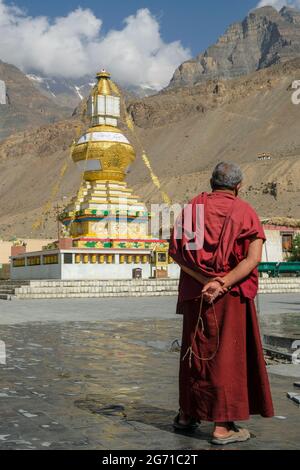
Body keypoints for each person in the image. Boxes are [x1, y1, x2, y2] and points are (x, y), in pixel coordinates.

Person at [169, 162, 274, 445]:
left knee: (194, 353)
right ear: (238, 186)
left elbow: (177, 254)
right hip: (230, 297)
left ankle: (187, 415)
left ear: (212, 182)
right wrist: (222, 282)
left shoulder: (192, 210)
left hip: (197, 294)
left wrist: (206, 279)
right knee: (227, 358)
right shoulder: (245, 211)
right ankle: (222, 427)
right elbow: (252, 259)